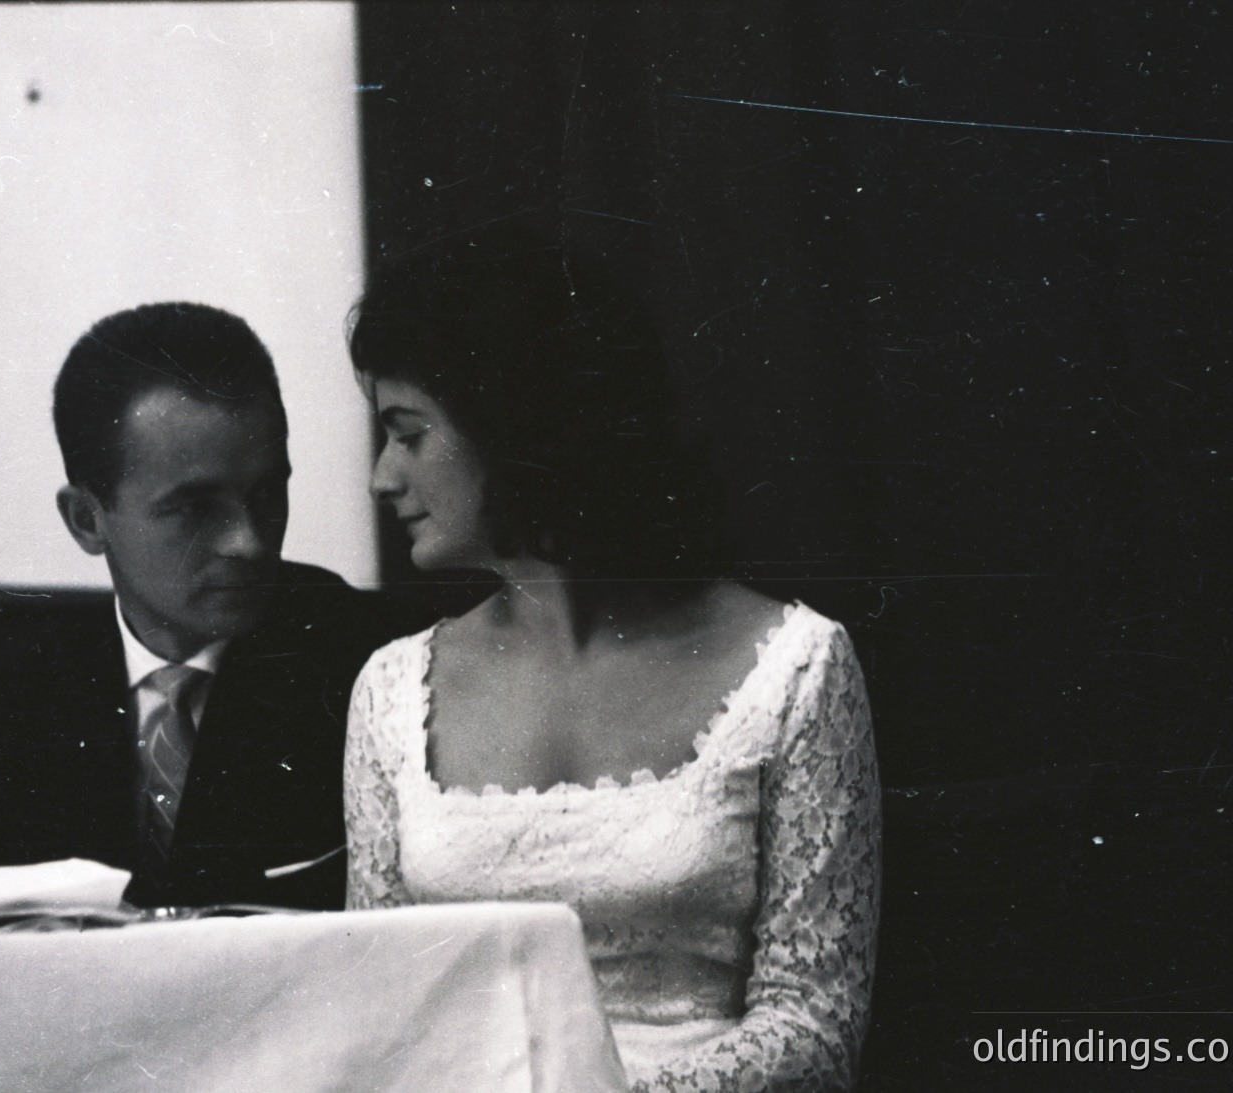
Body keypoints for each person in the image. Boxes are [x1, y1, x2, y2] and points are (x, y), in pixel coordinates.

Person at [342, 231, 882, 1091]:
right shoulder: (390, 691)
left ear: (512, 425)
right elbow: (376, 1005)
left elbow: (812, 1021)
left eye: (408, 433)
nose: (382, 477)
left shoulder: (796, 664)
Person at [35, 301, 411, 909]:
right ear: (86, 520)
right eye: (195, 506)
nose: (250, 541)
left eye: (267, 493)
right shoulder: (11, 706)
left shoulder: (377, 666)